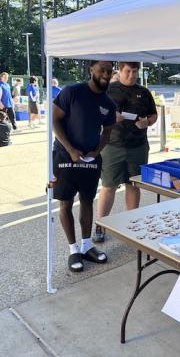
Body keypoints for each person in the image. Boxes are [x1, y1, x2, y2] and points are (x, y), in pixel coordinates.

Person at [52, 60, 116, 273]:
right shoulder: (72, 92)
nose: (106, 74)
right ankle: (73, 250)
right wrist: (70, 149)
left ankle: (87, 246)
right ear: (91, 69)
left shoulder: (108, 103)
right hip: (65, 156)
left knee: (87, 201)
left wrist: (96, 151)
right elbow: (54, 120)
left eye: (109, 70)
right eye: (102, 70)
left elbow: (107, 131)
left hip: (89, 159)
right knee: (66, 203)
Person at [94, 61, 158, 243]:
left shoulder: (144, 92)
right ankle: (101, 224)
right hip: (112, 145)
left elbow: (153, 114)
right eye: (128, 71)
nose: (132, 75)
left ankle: (132, 222)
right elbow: (94, 112)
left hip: (138, 146)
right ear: (120, 71)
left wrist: (148, 122)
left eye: (135, 71)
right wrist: (109, 117)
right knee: (109, 186)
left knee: (134, 184)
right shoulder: (108, 90)